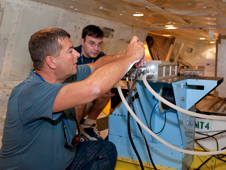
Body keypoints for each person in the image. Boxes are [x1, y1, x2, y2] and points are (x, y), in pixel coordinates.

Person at [0, 28, 145, 170]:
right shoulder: (29, 93)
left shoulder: (66, 78)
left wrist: (126, 54)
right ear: (51, 62)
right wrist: (130, 58)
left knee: (105, 150)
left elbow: (97, 66)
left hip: (64, 160)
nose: (76, 53)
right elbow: (93, 88)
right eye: (70, 51)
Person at [73, 25, 114, 141]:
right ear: (82, 41)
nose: (96, 48)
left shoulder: (102, 58)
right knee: (79, 99)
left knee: (107, 93)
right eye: (92, 43)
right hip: (72, 101)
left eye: (99, 44)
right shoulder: (73, 55)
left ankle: (87, 125)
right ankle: (74, 132)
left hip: (89, 97)